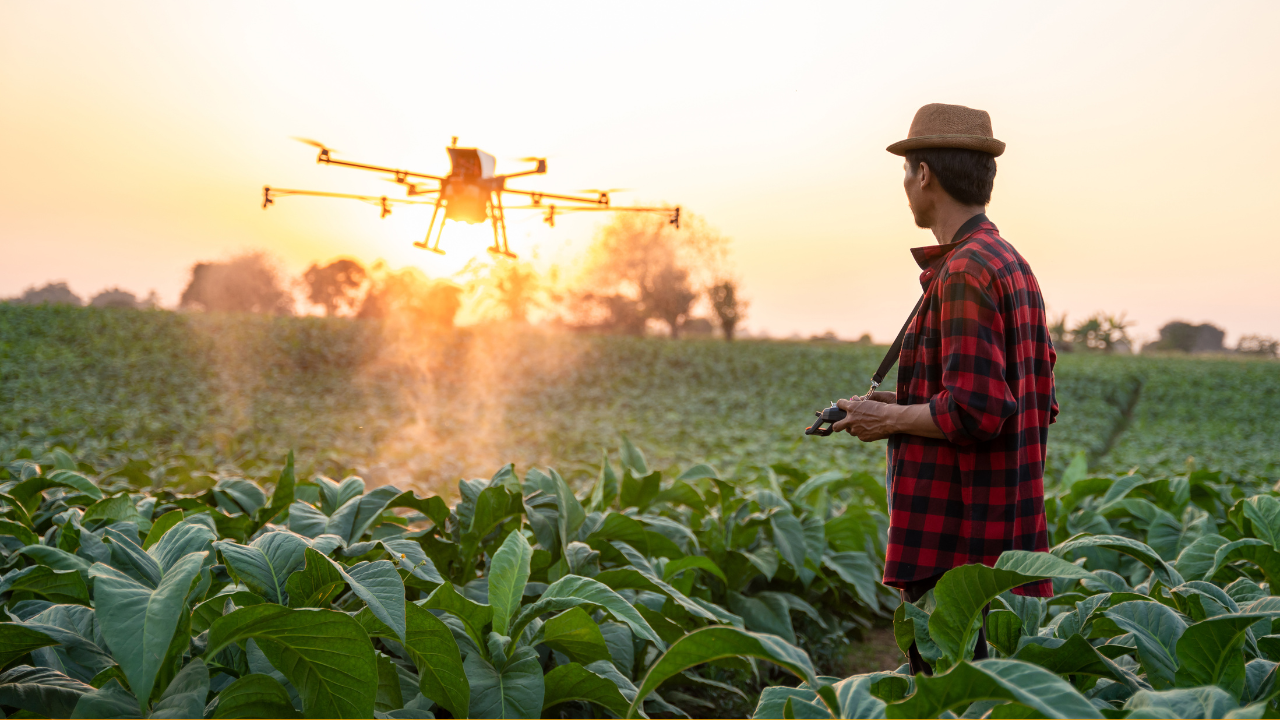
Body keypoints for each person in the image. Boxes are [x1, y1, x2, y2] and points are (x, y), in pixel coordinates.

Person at [831, 103, 1057, 674]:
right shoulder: (1010, 264)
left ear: (924, 174)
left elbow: (978, 411)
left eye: (906, 173)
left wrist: (892, 421)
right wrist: (896, 405)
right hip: (1005, 545)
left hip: (958, 552)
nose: (904, 187)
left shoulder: (963, 273)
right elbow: (1029, 401)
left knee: (945, 701)